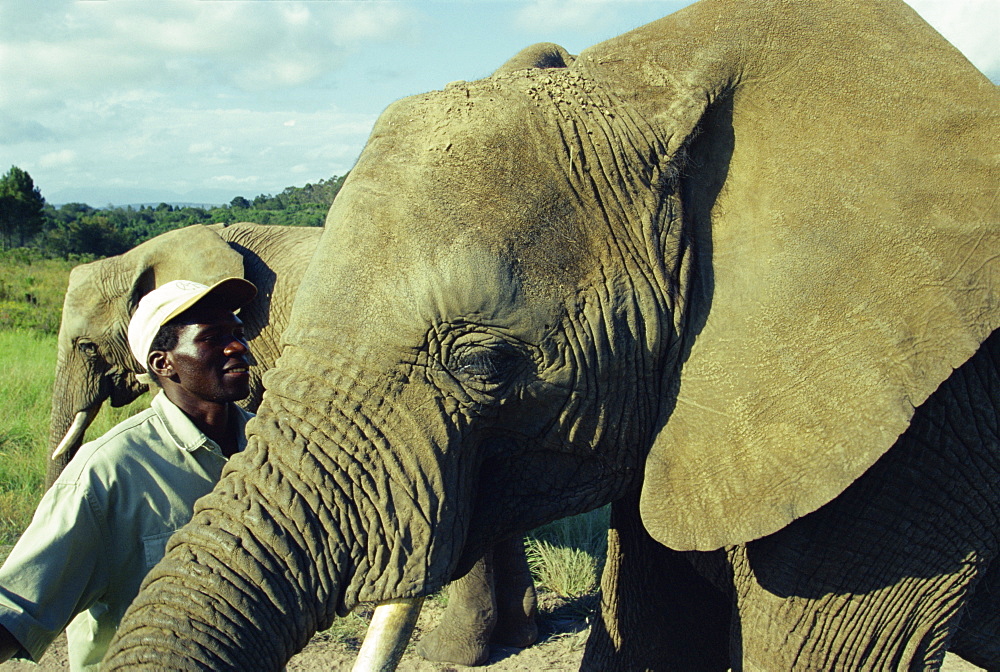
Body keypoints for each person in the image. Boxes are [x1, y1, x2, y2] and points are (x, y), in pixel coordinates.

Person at [0, 277, 257, 670]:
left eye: (238, 333)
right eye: (212, 337)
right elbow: (17, 608)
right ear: (162, 363)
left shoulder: (267, 447)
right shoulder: (107, 472)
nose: (238, 346)